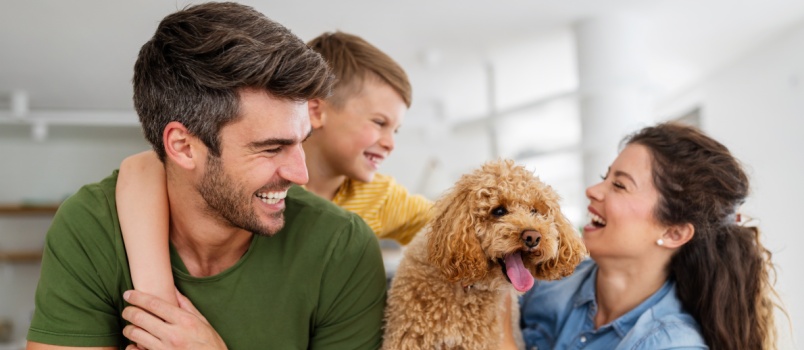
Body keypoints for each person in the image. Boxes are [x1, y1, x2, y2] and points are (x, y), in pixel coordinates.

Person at [26, 3, 387, 349]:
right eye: (270, 148)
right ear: (183, 147)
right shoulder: (92, 228)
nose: (300, 173)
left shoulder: (341, 249)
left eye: (301, 143)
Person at [116, 31, 434, 306]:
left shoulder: (382, 197)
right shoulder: (257, 182)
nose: (390, 143)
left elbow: (455, 225)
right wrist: (157, 294)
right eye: (380, 123)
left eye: (397, 130)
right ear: (315, 111)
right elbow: (142, 167)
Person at [518, 122, 784, 349]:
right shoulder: (547, 279)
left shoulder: (673, 343)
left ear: (674, 232)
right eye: (605, 176)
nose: (593, 190)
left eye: (619, 185)